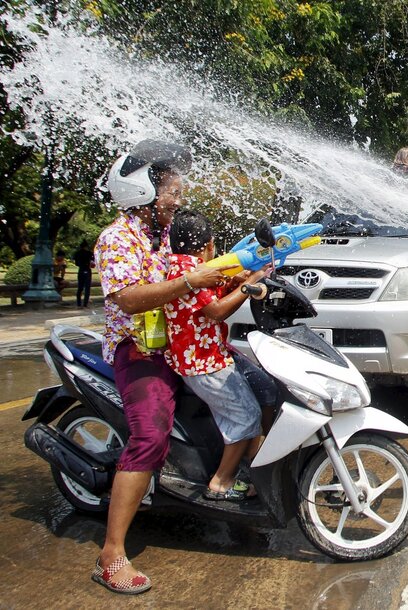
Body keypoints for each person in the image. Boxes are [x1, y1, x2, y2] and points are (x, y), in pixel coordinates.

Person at [92, 140, 231, 595]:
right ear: (141, 193)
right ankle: (111, 554)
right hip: (138, 351)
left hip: (178, 346)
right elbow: (128, 298)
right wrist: (190, 280)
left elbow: (202, 266)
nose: (178, 199)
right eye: (170, 190)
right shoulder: (117, 239)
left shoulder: (166, 235)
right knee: (150, 435)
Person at [164, 209, 269, 502]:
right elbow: (215, 311)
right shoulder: (190, 270)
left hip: (209, 355)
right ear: (209, 243)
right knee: (248, 416)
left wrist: (236, 282)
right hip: (203, 363)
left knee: (260, 398)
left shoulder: (184, 264)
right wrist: (250, 286)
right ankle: (221, 482)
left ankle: (258, 467)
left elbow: (211, 296)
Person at [73, 239, 94, 307]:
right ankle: (85, 303)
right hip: (87, 269)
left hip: (81, 269)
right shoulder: (89, 253)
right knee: (87, 288)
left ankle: (78, 303)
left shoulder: (77, 253)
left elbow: (76, 263)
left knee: (80, 287)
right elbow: (93, 262)